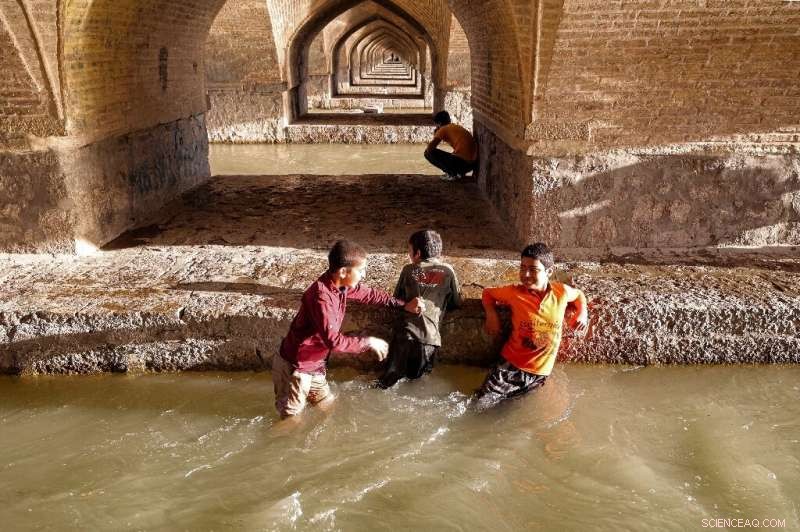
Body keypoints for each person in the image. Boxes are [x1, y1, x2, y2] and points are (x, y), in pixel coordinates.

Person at [273, 240, 424, 418]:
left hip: (314, 366)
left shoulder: (340, 285)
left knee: (327, 407)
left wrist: (403, 305)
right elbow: (333, 341)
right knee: (290, 421)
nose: (363, 274)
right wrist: (368, 342)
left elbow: (370, 295)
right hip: (296, 368)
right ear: (344, 271)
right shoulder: (321, 297)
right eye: (360, 270)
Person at [475, 242, 588, 410]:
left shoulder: (561, 293)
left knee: (506, 412)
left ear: (549, 271)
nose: (525, 274)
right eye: (522, 268)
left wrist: (583, 313)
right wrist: (492, 315)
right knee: (480, 408)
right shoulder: (515, 293)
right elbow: (488, 293)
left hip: (539, 375)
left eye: (533, 269)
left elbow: (579, 295)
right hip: (509, 369)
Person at [376, 230, 462, 389]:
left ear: (418, 253)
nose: (409, 255)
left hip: (404, 334)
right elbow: (456, 302)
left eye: (409, 251)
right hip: (428, 339)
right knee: (415, 384)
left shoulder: (408, 270)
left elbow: (397, 298)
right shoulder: (448, 271)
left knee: (388, 381)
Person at [424, 110, 478, 181]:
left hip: (462, 163)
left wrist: (436, 135)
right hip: (471, 165)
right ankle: (457, 173)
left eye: (437, 124)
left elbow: (430, 148)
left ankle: (452, 174)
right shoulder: (454, 127)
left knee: (427, 153)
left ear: (439, 123)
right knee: (453, 154)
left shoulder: (443, 129)